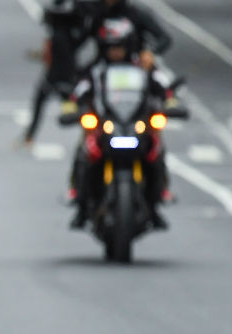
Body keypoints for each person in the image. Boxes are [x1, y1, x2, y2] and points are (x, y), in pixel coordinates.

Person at [67, 17, 175, 230]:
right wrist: (72, 107)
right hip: (106, 126)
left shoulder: (143, 68)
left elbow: (163, 86)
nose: (116, 52)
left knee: (156, 152)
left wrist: (170, 102)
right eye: (111, 48)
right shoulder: (96, 71)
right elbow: (79, 90)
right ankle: (80, 201)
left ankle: (155, 202)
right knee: (86, 152)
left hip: (135, 124)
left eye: (120, 47)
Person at [22, 0, 87, 146]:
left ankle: (30, 136)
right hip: (64, 77)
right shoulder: (65, 35)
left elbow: (58, 55)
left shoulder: (60, 36)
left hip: (57, 77)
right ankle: (29, 136)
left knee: (70, 108)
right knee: (69, 106)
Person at [80, 0, 171, 72]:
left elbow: (164, 38)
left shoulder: (137, 14)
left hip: (135, 68)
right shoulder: (97, 14)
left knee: (162, 84)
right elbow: (81, 38)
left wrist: (150, 53)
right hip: (103, 67)